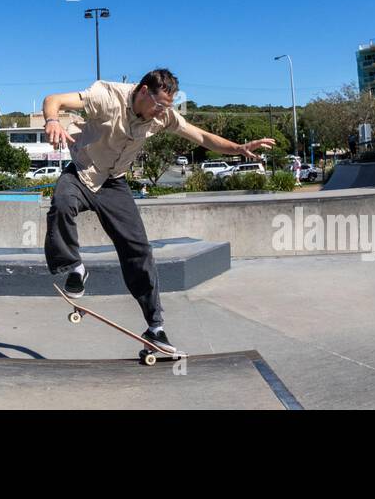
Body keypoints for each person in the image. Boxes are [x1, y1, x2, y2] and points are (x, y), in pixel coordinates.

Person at [41, 68, 276, 356]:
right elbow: (54, 99)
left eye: (167, 107)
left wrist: (238, 147)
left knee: (139, 251)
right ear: (142, 92)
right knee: (62, 203)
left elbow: (200, 136)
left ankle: (155, 327)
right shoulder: (106, 96)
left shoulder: (163, 115)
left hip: (114, 184)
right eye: (159, 105)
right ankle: (73, 267)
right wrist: (52, 120)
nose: (161, 112)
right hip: (82, 171)